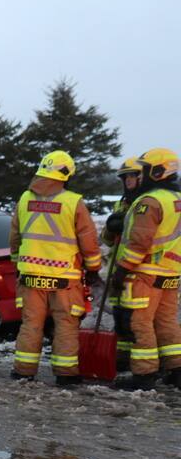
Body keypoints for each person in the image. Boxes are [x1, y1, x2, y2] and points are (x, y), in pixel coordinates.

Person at [9, 151, 102, 385]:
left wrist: (18, 263)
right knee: (66, 325)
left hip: (30, 275)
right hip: (64, 277)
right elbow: (88, 240)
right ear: (66, 175)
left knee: (31, 324)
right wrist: (93, 268)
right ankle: (66, 374)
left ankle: (23, 371)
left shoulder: (24, 199)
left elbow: (15, 236)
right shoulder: (73, 202)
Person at [110, 148, 181, 391]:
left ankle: (144, 374)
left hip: (145, 273)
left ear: (158, 171)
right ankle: (176, 370)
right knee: (167, 323)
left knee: (139, 324)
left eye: (145, 170)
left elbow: (139, 242)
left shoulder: (149, 202)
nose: (140, 176)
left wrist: (122, 270)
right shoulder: (176, 199)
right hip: (170, 273)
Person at [101, 157, 145, 370]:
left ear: (142, 178)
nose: (128, 180)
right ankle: (123, 358)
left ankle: (145, 363)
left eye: (132, 176)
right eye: (125, 177)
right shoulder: (121, 204)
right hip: (119, 270)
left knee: (136, 320)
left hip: (139, 270)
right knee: (120, 316)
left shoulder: (148, 203)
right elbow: (107, 240)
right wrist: (111, 228)